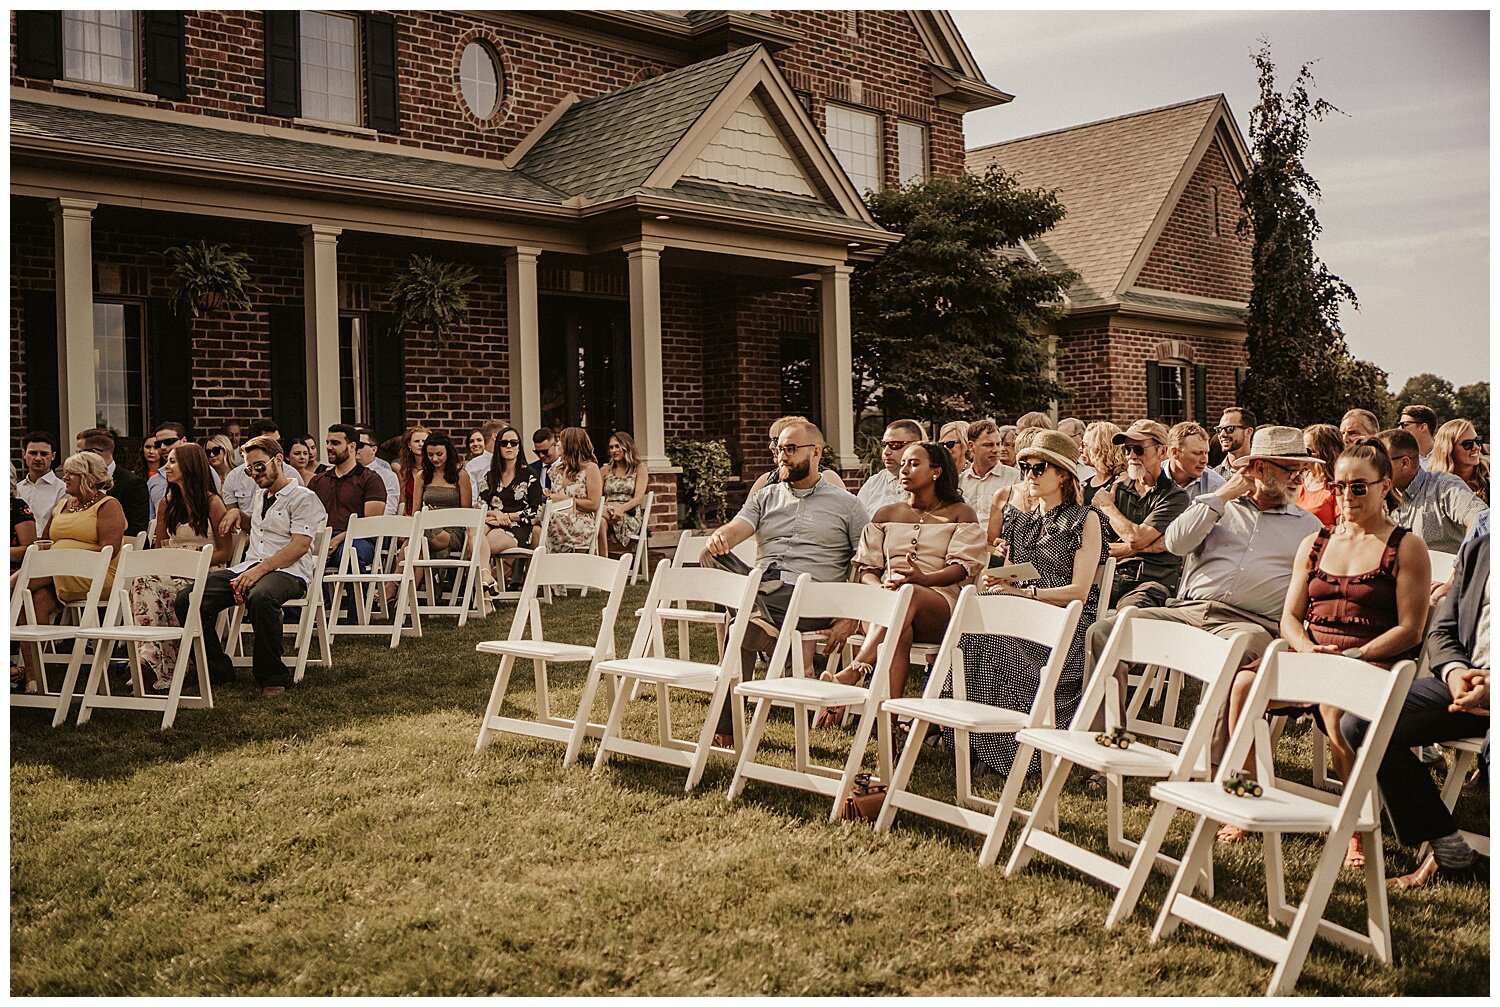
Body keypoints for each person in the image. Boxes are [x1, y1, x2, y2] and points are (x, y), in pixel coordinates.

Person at [1089, 426, 1325, 765]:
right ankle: (1102, 742)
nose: (1299, 478)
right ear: (1258, 468)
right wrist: (1221, 496)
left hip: (1248, 624)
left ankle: (1211, 768)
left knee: (1245, 647)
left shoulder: (1309, 526)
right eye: (1290, 469)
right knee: (1104, 632)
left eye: (1302, 470)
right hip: (1187, 612)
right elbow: (1175, 543)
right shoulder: (1217, 506)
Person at [1277, 438, 1430, 863]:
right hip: (1314, 652)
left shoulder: (1406, 546)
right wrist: (1306, 648)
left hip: (1372, 657)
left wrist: (1352, 658)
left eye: (1359, 487)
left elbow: (1410, 630)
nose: (1346, 495)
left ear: (1385, 487)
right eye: (1339, 485)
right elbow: (1288, 617)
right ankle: (1245, 793)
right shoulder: (1315, 542)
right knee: (1241, 685)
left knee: (1333, 708)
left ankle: (1356, 823)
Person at [1340, 511, 1489, 889]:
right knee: (1361, 720)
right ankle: (1447, 843)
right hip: (1462, 683)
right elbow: (1441, 629)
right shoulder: (1482, 549)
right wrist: (1455, 672)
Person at [701, 419, 868, 746]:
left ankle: (725, 729)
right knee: (710, 556)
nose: (782, 456)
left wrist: (853, 614)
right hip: (765, 589)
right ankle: (757, 618)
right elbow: (738, 528)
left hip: (815, 598)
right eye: (779, 449)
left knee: (740, 622)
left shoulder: (848, 505)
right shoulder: (765, 497)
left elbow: (866, 562)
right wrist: (722, 537)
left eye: (791, 449)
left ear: (816, 452)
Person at [954, 430, 1106, 775]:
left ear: (1063, 475)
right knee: (976, 623)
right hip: (1021, 610)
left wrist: (1027, 594)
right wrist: (1001, 578)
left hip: (1064, 619)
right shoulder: (1023, 520)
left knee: (993, 639)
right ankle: (981, 734)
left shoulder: (1086, 519)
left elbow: (1080, 591)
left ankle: (993, 744)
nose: (1029, 476)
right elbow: (1014, 575)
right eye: (1025, 468)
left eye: (1039, 469)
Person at [822, 442, 986, 728]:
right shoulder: (885, 515)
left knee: (908, 594)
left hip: (938, 605)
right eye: (903, 464)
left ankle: (855, 670)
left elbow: (961, 569)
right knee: (900, 629)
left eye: (913, 463)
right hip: (885, 605)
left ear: (936, 471)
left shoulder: (960, 514)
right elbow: (867, 569)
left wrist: (923, 580)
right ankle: (887, 731)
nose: (904, 469)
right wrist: (881, 589)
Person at [177, 436, 327, 697]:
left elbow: (299, 546)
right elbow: (260, 528)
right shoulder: (260, 496)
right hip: (251, 565)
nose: (254, 474)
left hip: (289, 572)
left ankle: (272, 676)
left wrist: (259, 571)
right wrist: (238, 514)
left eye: (259, 466)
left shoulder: (303, 497)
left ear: (278, 460)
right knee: (187, 598)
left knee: (261, 596)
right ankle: (216, 670)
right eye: (249, 469)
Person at [128, 443, 231, 690]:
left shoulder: (212, 503)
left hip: (205, 569)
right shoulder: (167, 503)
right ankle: (149, 656)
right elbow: (160, 546)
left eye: (173, 462)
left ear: (190, 466)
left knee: (169, 590)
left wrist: (190, 561)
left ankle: (162, 665)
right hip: (170, 569)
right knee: (143, 581)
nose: (166, 467)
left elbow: (225, 551)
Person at [1092, 419, 1189, 608]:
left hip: (1151, 582)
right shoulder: (1116, 490)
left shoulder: (1176, 497)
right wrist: (1147, 547)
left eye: (1138, 449)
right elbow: (1096, 548)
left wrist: (1108, 508)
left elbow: (1135, 538)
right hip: (1112, 576)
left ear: (1162, 451)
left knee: (1130, 613)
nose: (1131, 456)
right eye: (1127, 450)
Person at [37, 452, 126, 611]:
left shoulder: (109, 505)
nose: (65, 478)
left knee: (28, 578)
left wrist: (65, 558)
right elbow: (45, 543)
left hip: (97, 573)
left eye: (71, 473)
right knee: (37, 598)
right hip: (57, 570)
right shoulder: (62, 504)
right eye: (65, 473)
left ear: (89, 478)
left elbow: (109, 550)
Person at [1378, 428, 1486, 554]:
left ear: (1404, 463)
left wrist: (1461, 567)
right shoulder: (1380, 499)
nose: (1374, 468)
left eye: (1380, 462)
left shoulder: (1444, 486)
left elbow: (1482, 519)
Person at [308, 424, 387, 573]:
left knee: (351, 553)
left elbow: (371, 524)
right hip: (321, 538)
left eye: (335, 443)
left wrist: (338, 539)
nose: (329, 447)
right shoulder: (318, 481)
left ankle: (358, 597)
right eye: (327, 442)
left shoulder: (370, 479)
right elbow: (306, 516)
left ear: (352, 447)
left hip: (358, 539)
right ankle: (320, 597)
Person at [477, 425, 544, 595]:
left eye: (513, 443)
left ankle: (485, 586)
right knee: (475, 532)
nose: (509, 446)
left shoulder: (529, 476)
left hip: (518, 527)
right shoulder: (490, 476)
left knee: (475, 543)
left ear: (519, 447)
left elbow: (536, 511)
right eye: (504, 443)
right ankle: (487, 579)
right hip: (493, 522)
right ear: (497, 447)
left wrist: (507, 516)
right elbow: (479, 506)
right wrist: (496, 514)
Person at [218, 419, 304, 537]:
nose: (277, 448)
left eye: (279, 442)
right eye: (270, 444)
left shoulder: (293, 477)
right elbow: (237, 523)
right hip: (243, 537)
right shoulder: (234, 477)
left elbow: (298, 541)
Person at [411, 431, 474, 559]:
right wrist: (429, 516)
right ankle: (408, 578)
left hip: (452, 529)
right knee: (415, 545)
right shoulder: (422, 476)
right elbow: (415, 512)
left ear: (448, 453)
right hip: (428, 525)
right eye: (430, 455)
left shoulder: (460, 475)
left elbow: (466, 512)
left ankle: (396, 578)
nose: (435, 459)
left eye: (439, 454)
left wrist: (439, 517)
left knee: (414, 543)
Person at [747, 415, 846, 494]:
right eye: (771, 440)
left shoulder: (827, 479)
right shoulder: (766, 480)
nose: (772, 446)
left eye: (776, 440)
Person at [543, 427, 603, 554]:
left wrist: (566, 500)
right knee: (535, 519)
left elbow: (594, 504)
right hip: (558, 516)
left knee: (547, 518)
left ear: (571, 445)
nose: (557, 444)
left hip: (581, 521)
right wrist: (551, 495)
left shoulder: (590, 468)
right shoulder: (555, 470)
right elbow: (556, 497)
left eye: (560, 440)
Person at [82, 432, 149, 537]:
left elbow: (137, 528)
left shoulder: (133, 483)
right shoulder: (81, 482)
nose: (78, 459)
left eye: (80, 453)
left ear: (95, 453)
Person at [959, 418, 1020, 528]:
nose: (996, 450)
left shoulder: (1014, 478)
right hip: (966, 542)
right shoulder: (960, 481)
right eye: (988, 445)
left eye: (998, 444)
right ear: (971, 446)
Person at [858, 419, 923, 518]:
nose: (886, 452)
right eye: (884, 445)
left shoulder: (927, 483)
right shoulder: (873, 484)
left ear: (915, 445)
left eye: (895, 445)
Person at [600, 430, 650, 554]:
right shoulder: (605, 470)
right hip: (607, 512)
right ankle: (603, 561)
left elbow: (638, 498)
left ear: (626, 447)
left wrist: (621, 509)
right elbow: (598, 496)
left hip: (628, 514)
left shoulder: (639, 469)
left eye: (617, 446)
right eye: (611, 447)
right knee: (600, 522)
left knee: (597, 516)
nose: (613, 450)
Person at [17, 431, 66, 537]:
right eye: (33, 453)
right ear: (24, 454)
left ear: (53, 456)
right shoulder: (17, 489)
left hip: (49, 548)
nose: (38, 458)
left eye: (44, 454)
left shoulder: (63, 490)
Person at [1164, 421, 1226, 500]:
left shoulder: (1216, 486)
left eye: (1206, 453)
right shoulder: (1152, 478)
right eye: (1198, 453)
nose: (1205, 460)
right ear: (1175, 453)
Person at [1297, 424, 1344, 529]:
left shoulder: (1337, 486)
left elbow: (1343, 528)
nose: (1302, 454)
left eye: (1307, 450)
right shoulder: (1299, 480)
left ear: (1324, 452)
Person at [1430, 418, 1488, 504]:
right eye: (1467, 444)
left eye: (1478, 441)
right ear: (1449, 449)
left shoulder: (1488, 480)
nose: (1476, 447)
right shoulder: (1431, 485)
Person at [354, 428, 400, 516]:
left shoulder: (387, 475)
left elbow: (390, 510)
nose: (355, 449)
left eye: (360, 445)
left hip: (376, 525)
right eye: (353, 445)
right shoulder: (344, 473)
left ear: (374, 450)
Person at [1080, 421, 1125, 506]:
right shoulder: (1084, 485)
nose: (1080, 449)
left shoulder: (1123, 482)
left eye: (1084, 445)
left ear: (1100, 447)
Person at [464, 419, 507, 504]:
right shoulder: (473, 466)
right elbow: (473, 498)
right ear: (495, 437)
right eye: (505, 436)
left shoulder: (509, 461)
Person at [1212, 406, 1256, 478]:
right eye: (1219, 430)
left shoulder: (1263, 471)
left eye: (1230, 429)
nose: (1222, 434)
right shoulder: (1214, 476)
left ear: (1248, 432)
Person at [395, 425, 430, 515]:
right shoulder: (403, 469)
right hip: (410, 518)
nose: (421, 444)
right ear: (409, 445)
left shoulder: (436, 469)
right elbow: (403, 497)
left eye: (424, 441)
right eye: (417, 441)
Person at [1398, 403, 1439, 469]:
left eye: (1405, 425)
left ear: (1423, 427)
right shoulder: (1401, 459)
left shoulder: (1446, 455)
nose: (1399, 429)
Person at [1059, 417, 1094, 482]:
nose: (1061, 442)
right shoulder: (1057, 463)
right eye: (1059, 438)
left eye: (1066, 437)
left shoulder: (1094, 463)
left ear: (1082, 436)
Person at [530, 427, 559, 492]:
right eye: (537, 452)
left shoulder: (568, 468)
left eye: (544, 451)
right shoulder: (531, 469)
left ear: (555, 445)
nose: (541, 455)